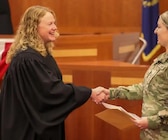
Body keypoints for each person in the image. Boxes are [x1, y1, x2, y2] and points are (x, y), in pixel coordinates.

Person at [0, 5, 105, 140]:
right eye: (50, 24)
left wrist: (87, 92)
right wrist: (89, 92)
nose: (55, 27)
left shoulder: (41, 55)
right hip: (27, 130)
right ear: (34, 27)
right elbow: (50, 91)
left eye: (54, 23)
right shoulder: (27, 59)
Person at [101, 9, 168, 140]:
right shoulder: (164, 58)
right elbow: (147, 89)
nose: (155, 31)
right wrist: (112, 93)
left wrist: (152, 121)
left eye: (159, 27)